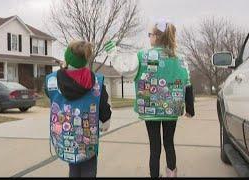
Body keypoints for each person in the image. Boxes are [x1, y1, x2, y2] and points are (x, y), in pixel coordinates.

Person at [104, 19, 195, 178]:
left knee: (155, 147)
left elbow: (126, 69)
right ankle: (172, 175)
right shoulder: (179, 58)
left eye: (150, 34)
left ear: (157, 37)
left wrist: (112, 52)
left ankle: (154, 176)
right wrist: (190, 108)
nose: (149, 37)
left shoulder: (143, 55)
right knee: (169, 143)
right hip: (172, 109)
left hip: (150, 108)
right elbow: (187, 82)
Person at [45, 40, 112, 178]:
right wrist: (105, 121)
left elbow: (49, 94)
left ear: (68, 57)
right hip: (88, 139)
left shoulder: (52, 80)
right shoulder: (97, 82)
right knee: (89, 168)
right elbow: (104, 109)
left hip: (66, 137)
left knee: (73, 168)